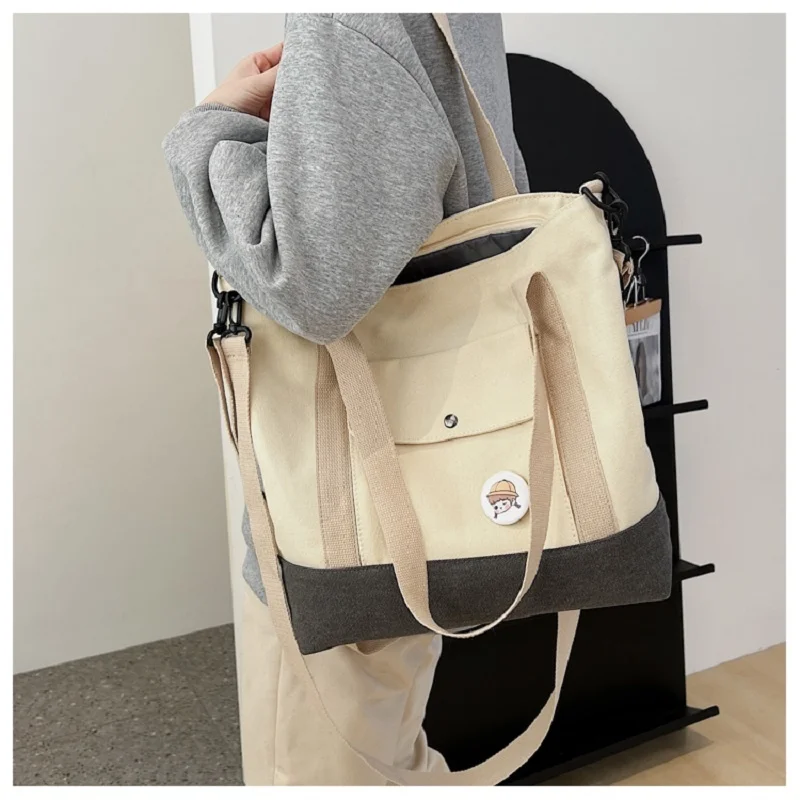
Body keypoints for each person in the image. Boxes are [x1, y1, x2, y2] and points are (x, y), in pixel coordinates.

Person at [162, 12, 529, 786]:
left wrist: (212, 128)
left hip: (343, 511)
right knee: (386, 751)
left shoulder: (350, 17)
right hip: (428, 469)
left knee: (323, 763)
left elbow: (313, 285)